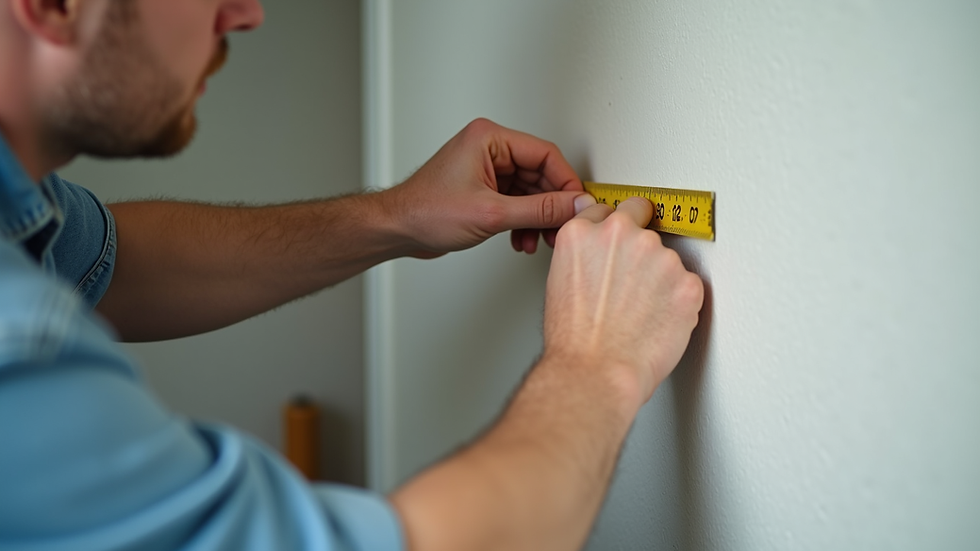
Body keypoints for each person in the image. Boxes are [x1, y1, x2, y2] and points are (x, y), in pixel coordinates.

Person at [0, 0, 704, 550]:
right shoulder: (17, 343)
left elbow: (112, 261)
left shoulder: (18, 215)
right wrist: (595, 363)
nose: (247, 14)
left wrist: (398, 215)